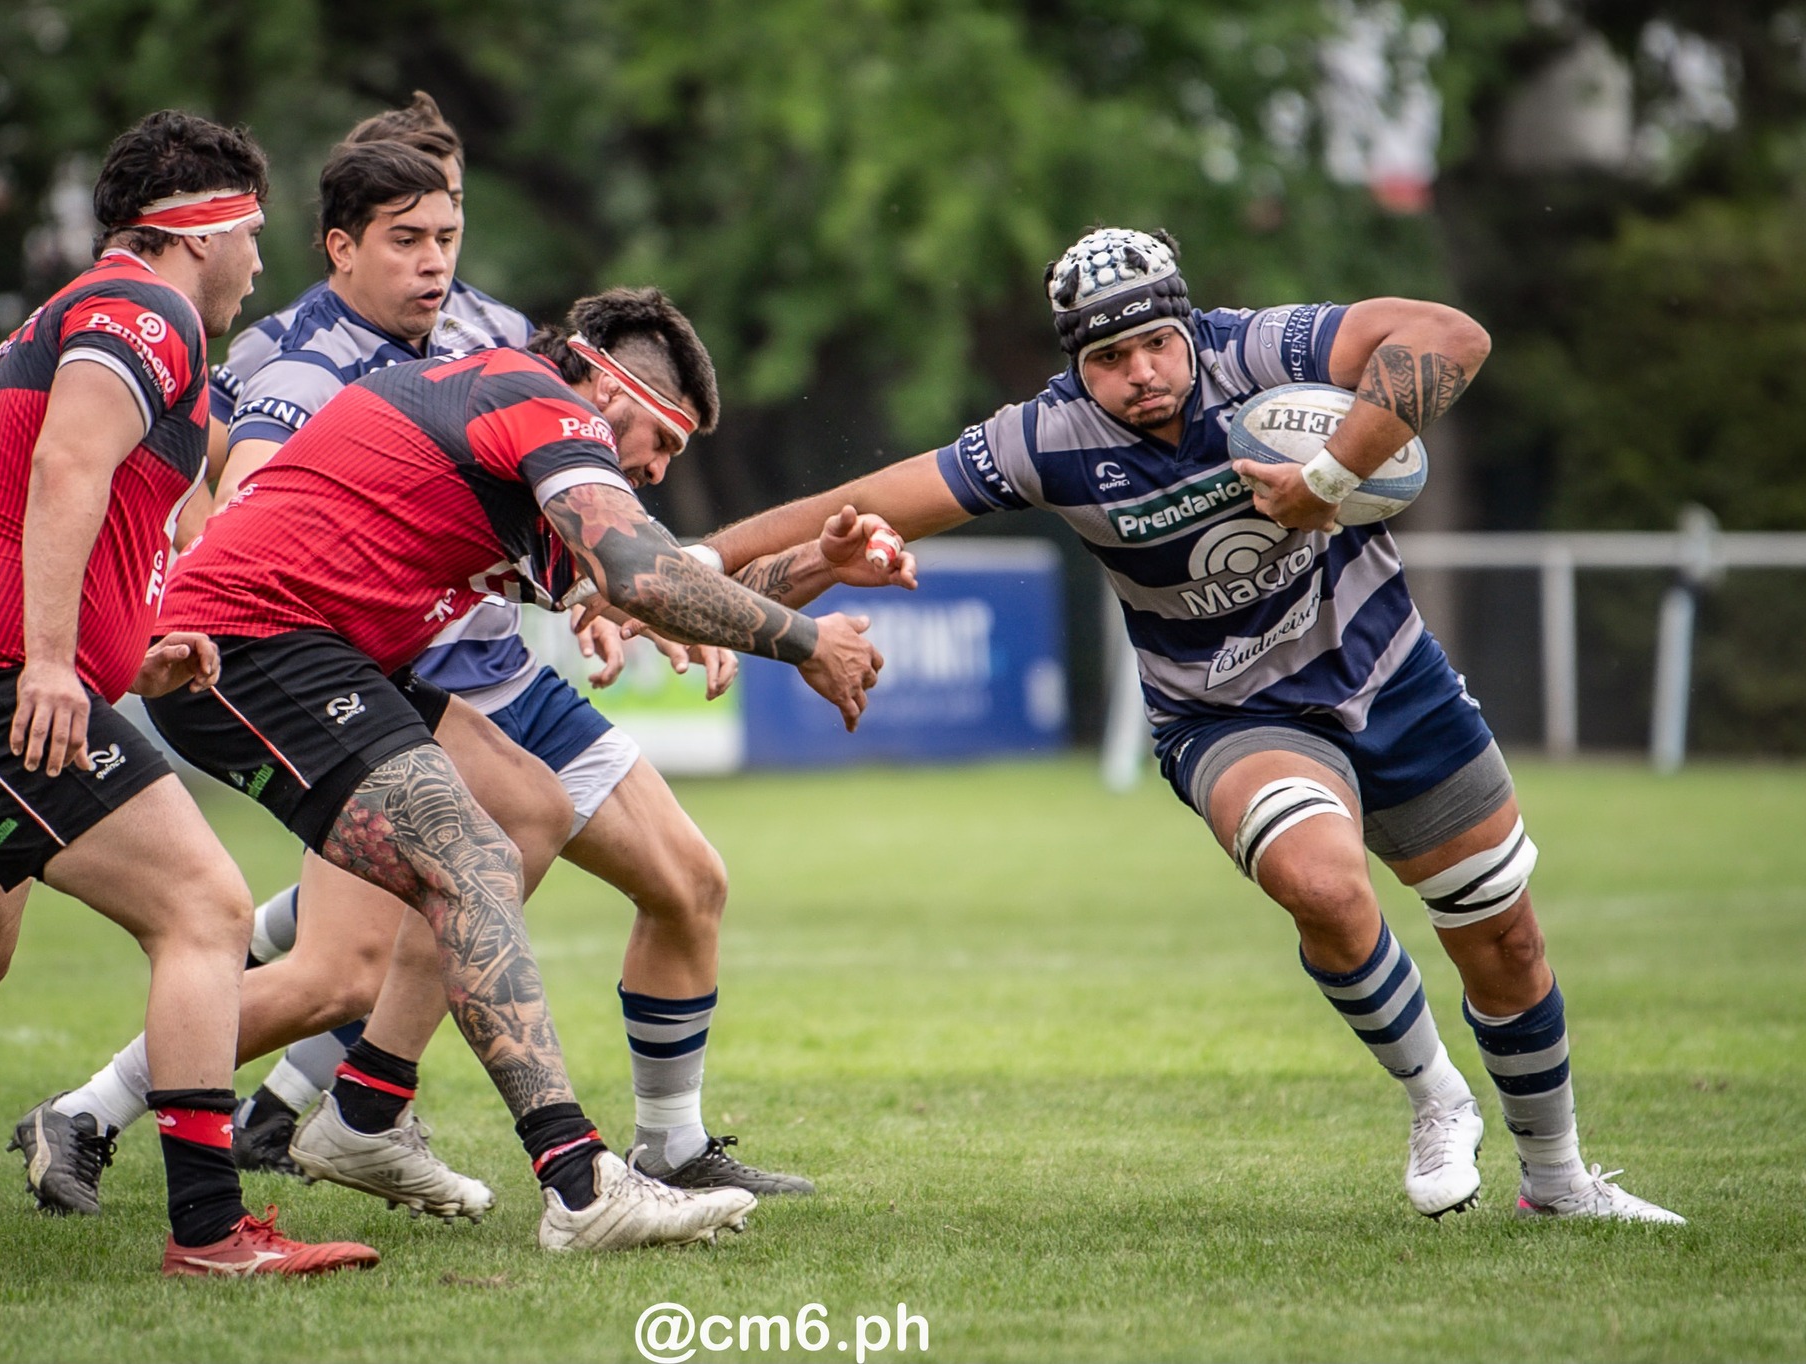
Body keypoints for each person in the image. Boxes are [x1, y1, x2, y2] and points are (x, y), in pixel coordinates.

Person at [699, 226, 1684, 1226]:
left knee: (1502, 937)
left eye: (1154, 345)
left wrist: (1328, 479)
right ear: (1074, 366)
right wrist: (689, 562)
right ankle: (1435, 1098)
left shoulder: (1263, 352)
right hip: (1225, 710)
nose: (1138, 373)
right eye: (1107, 359)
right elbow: (854, 504)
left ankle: (1556, 1182)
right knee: (1318, 882)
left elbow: (1451, 335)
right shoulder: (1043, 440)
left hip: (1390, 673)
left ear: (1188, 327)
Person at [17, 96, 823, 1225]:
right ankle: (133, 1107)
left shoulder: (485, 336)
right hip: (308, 655)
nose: (436, 259)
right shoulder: (302, 361)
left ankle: (389, 1111)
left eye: (449, 231)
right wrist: (793, 632)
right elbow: (256, 523)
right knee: (364, 946)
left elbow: (618, 579)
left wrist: (814, 570)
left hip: (432, 667)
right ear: (338, 244)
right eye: (407, 235)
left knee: (566, 844)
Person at [138, 285, 884, 1251]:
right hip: (243, 645)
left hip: (329, 653)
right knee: (461, 868)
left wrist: (820, 574)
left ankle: (367, 1114)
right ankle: (577, 1185)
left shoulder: (527, 453)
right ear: (606, 394)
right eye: (661, 441)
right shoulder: (539, 399)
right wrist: (808, 643)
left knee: (510, 827)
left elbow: (645, 598)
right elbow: (641, 571)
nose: (656, 471)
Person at [0, 111, 380, 1277]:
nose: (263, 260)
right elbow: (64, 466)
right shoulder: (139, 309)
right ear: (200, 232)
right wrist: (53, 662)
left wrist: (127, 651)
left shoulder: (115, 318)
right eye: (254, 232)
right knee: (203, 905)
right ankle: (210, 1228)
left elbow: (73, 502)